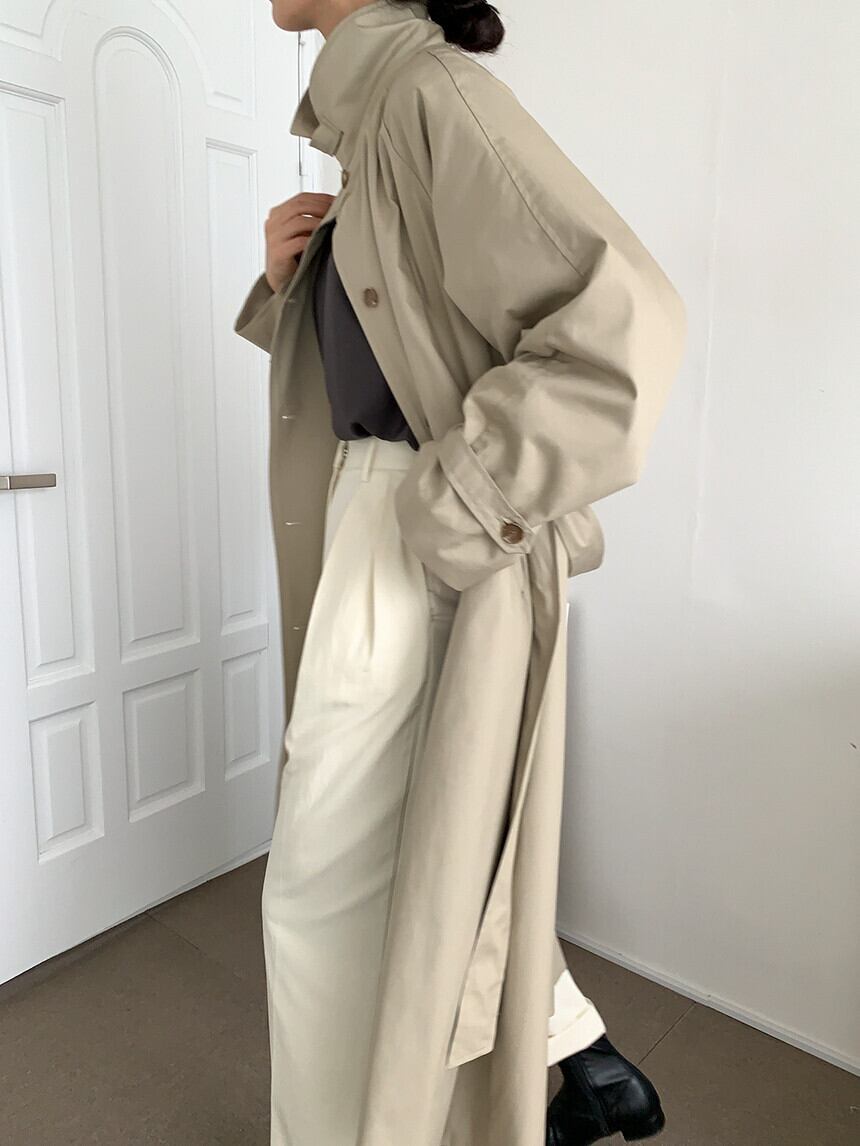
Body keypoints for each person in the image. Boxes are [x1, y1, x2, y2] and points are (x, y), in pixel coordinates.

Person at [235, 3, 687, 1144]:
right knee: (419, 864)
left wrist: (450, 506)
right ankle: (578, 1067)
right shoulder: (375, 120)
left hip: (407, 528)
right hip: (379, 521)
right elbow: (400, 358)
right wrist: (291, 285)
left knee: (325, 898)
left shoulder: (426, 96)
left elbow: (627, 327)